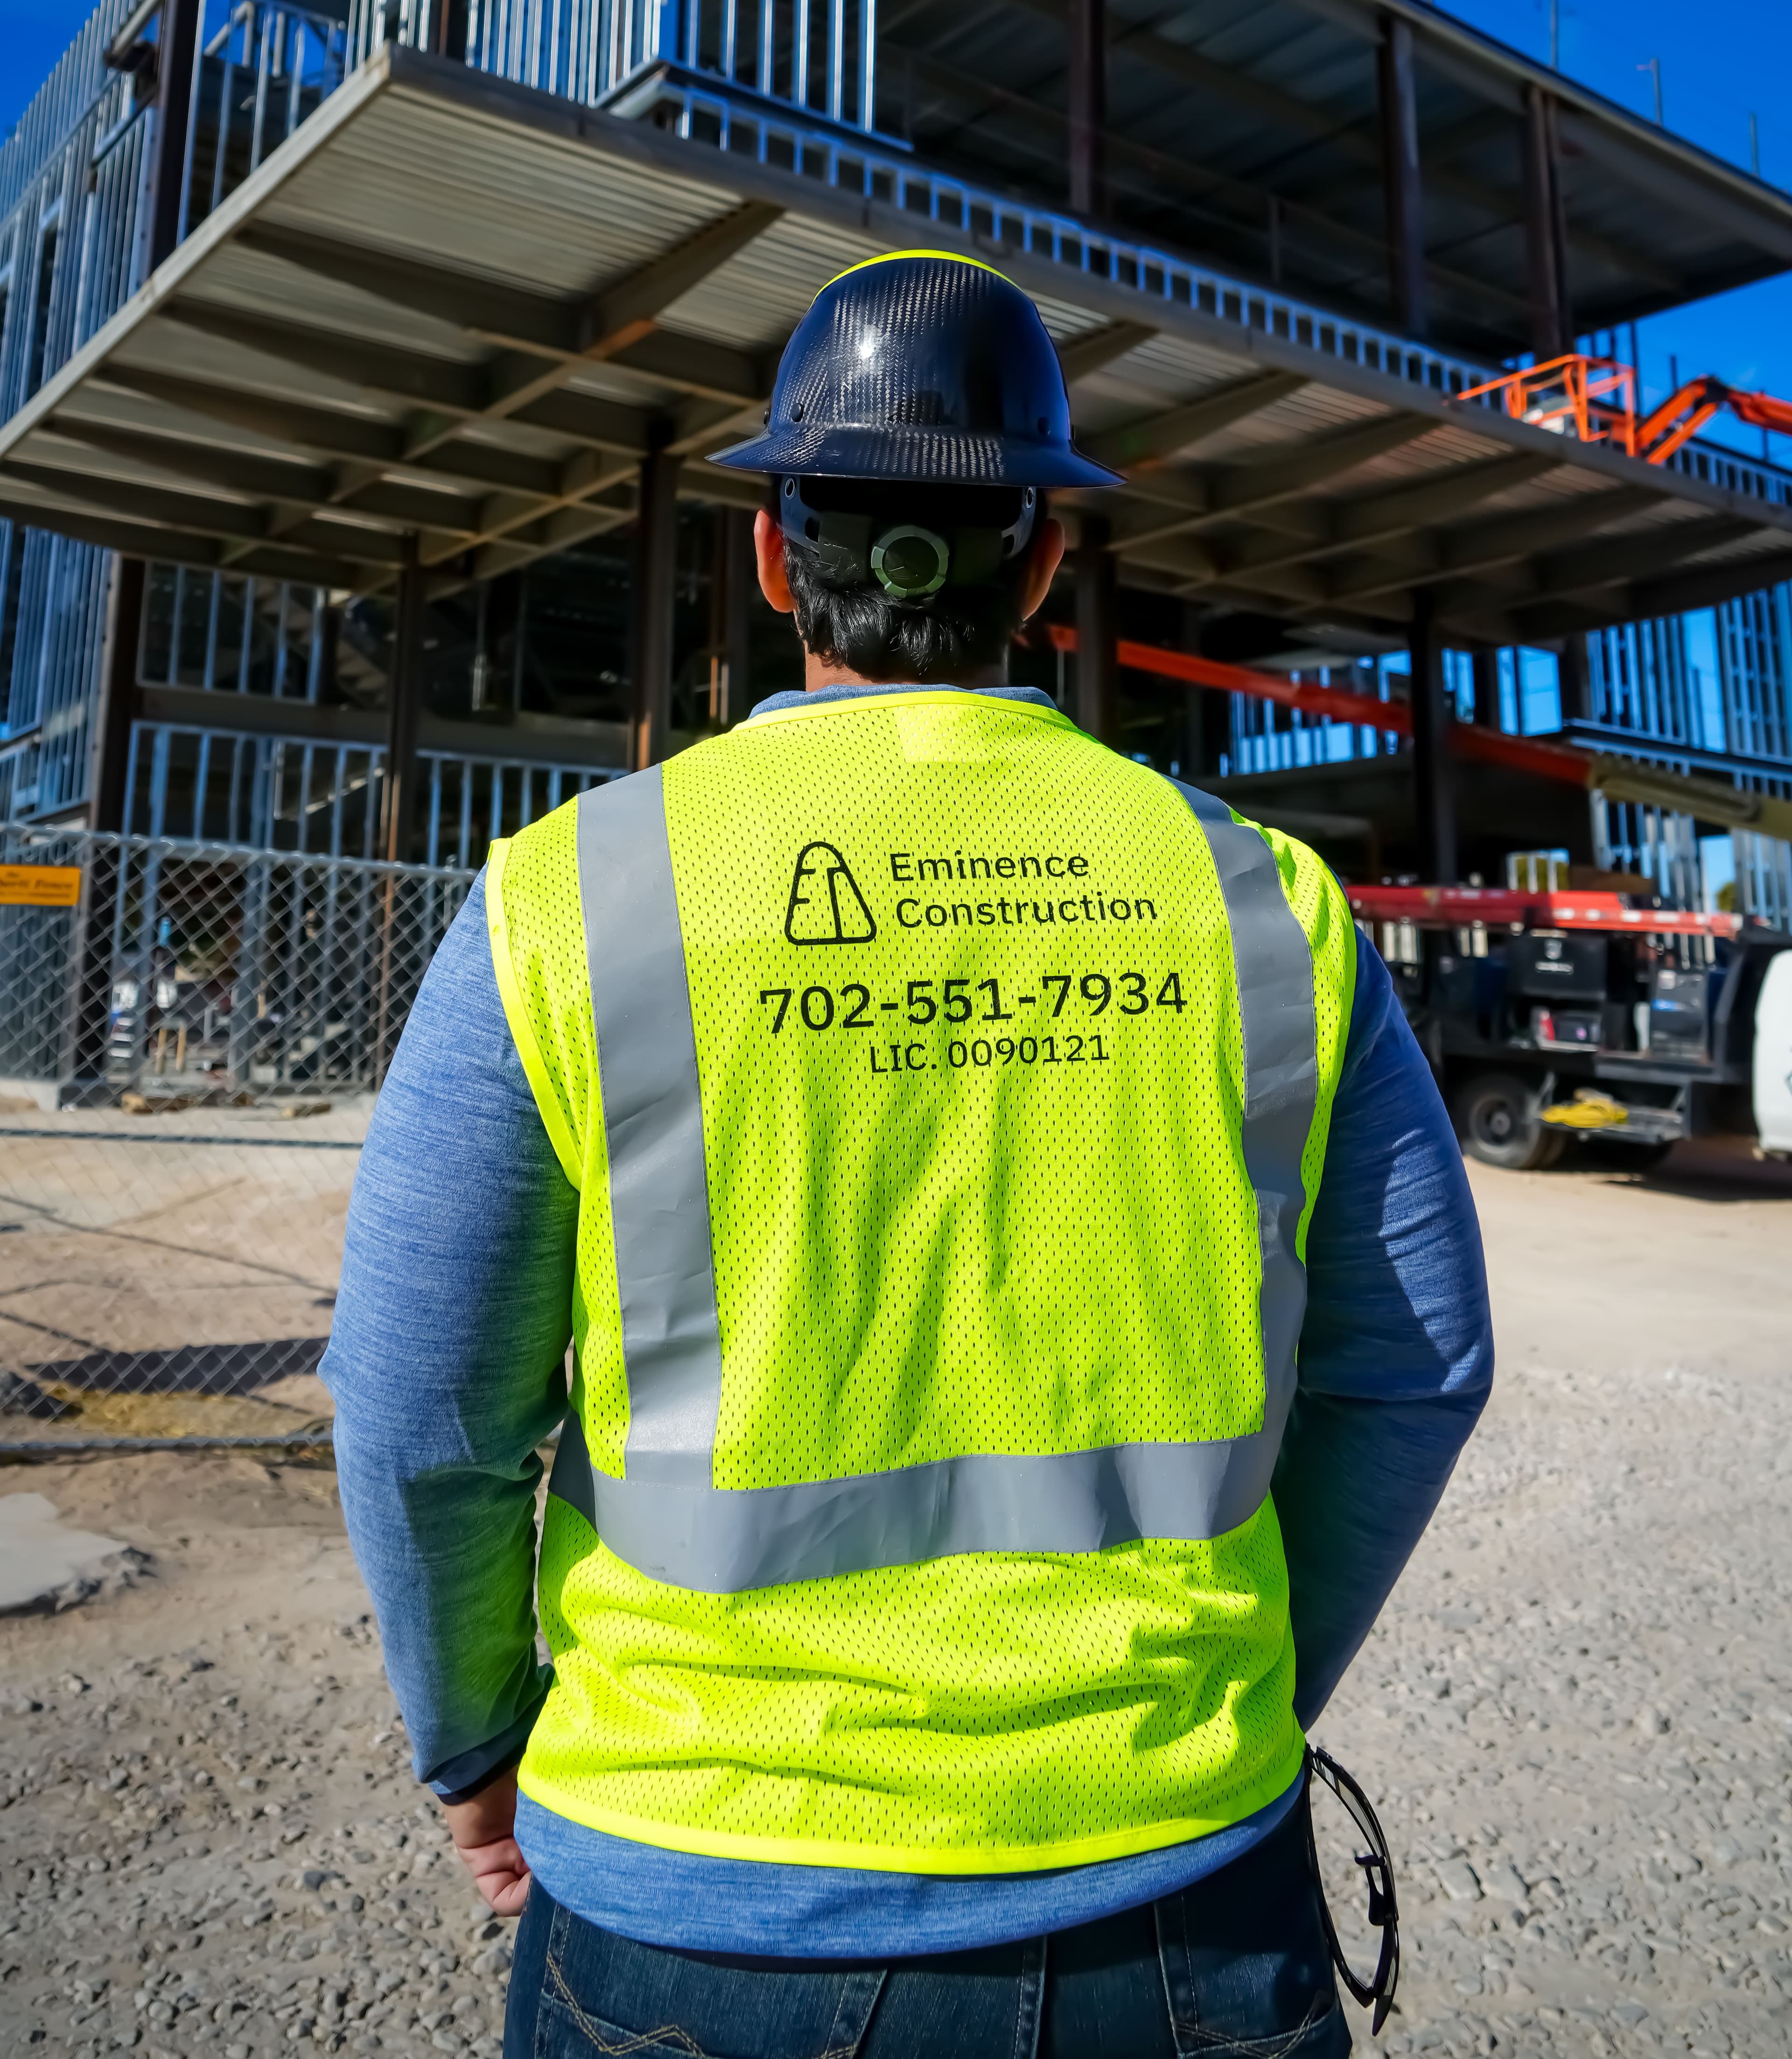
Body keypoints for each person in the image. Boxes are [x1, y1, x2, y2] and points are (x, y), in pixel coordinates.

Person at [324, 249, 1493, 2059]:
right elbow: (1414, 1368)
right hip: (1181, 1888)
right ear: (1040, 558)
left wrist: (478, 1746)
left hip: (695, 1895)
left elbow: (419, 1410)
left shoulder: (575, 892)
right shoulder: (1269, 907)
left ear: (778, 553)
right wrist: (1228, 1698)